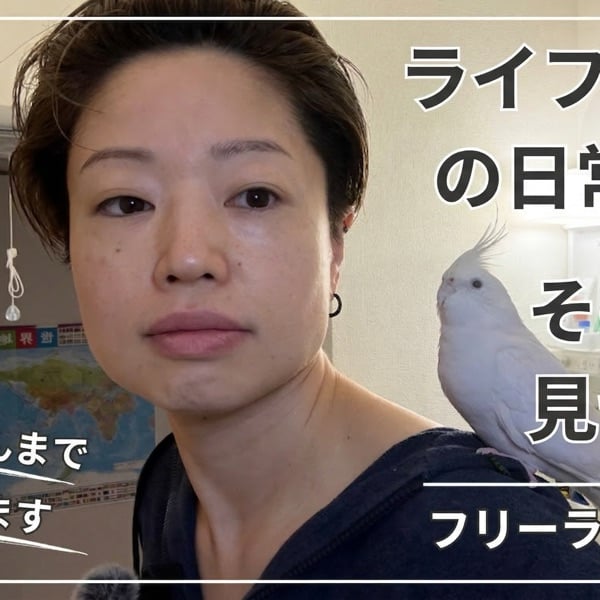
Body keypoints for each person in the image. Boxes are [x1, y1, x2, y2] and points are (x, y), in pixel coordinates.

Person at [9, 1, 600, 598]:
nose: (187, 258)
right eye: (127, 203)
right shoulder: (168, 486)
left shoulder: (520, 557)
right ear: (69, 243)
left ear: (336, 240)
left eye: (256, 196)